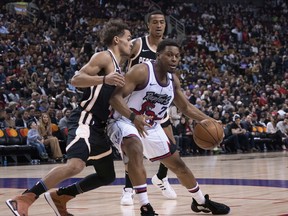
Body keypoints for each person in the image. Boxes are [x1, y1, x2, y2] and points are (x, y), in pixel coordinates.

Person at [6, 19, 134, 216]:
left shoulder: (119, 68)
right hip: (85, 119)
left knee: (107, 176)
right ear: (117, 40)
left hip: (99, 127)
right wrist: (104, 79)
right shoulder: (104, 57)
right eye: (128, 39)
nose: (131, 43)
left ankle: (61, 196)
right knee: (76, 165)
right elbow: (76, 80)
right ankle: (25, 198)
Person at [108, 39, 230, 215]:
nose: (174, 59)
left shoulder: (173, 81)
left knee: (178, 165)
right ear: (158, 56)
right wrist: (134, 118)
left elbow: (186, 107)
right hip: (124, 120)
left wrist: (209, 121)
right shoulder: (141, 71)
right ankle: (145, 206)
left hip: (151, 126)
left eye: (177, 56)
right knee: (134, 147)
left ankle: (201, 201)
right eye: (169, 55)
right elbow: (115, 98)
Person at [120, 10, 177, 206]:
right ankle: (128, 189)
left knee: (171, 146)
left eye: (162, 22)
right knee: (133, 151)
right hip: (135, 104)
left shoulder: (167, 48)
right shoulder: (137, 44)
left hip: (156, 104)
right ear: (148, 25)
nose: (159, 25)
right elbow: (119, 62)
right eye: (155, 22)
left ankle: (161, 177)